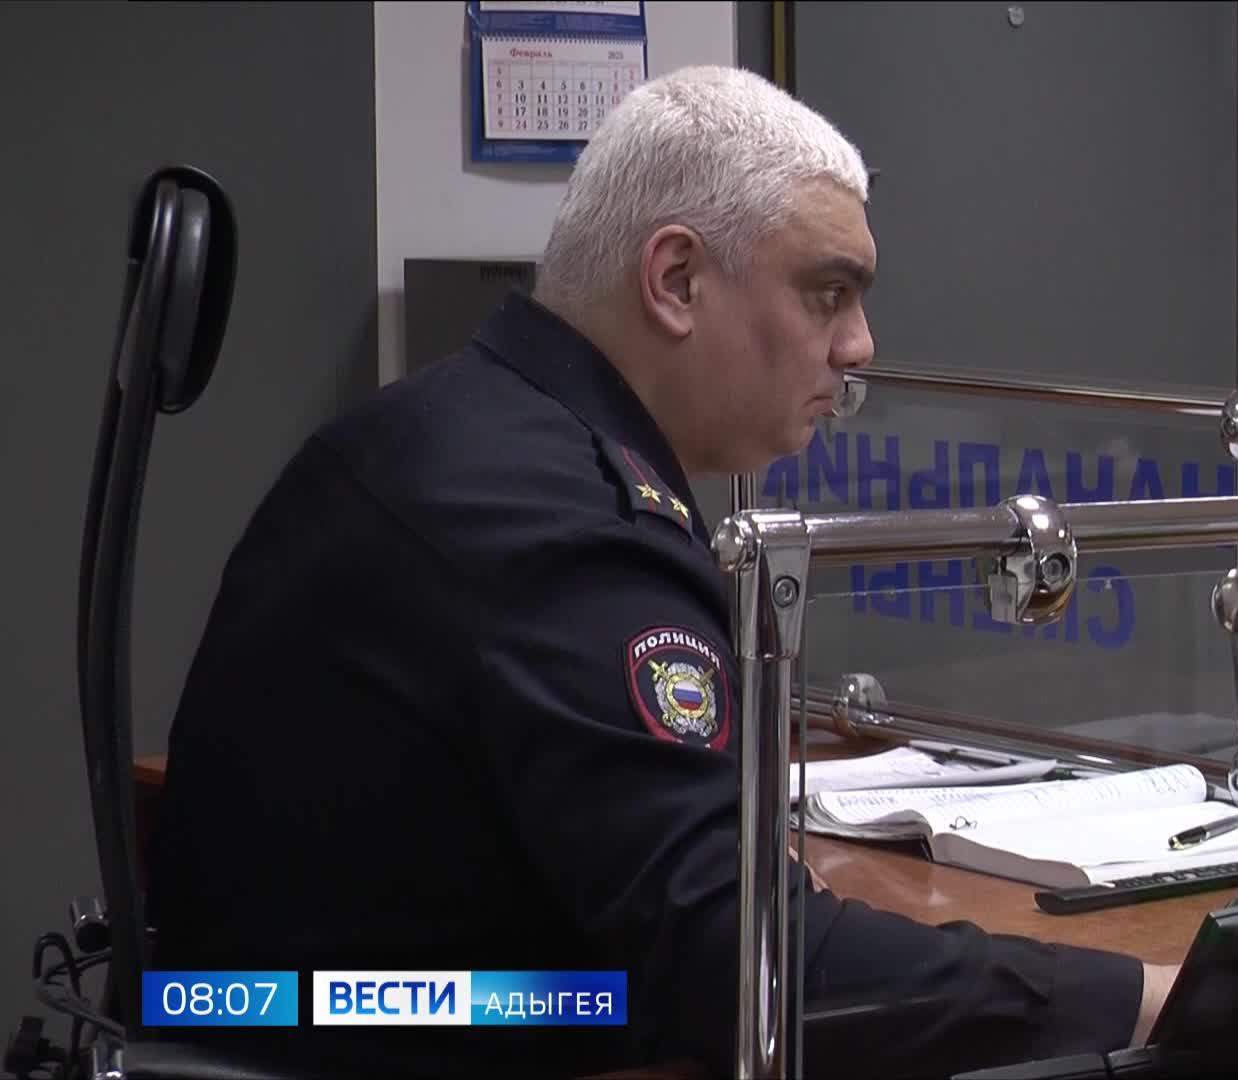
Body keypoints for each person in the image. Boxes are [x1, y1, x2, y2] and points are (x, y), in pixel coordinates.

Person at [147, 64, 1177, 1079]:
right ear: (677, 281)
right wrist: (1137, 1000)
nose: (859, 345)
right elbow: (746, 970)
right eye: (828, 294)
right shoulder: (555, 526)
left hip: (303, 1015)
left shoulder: (455, 432)